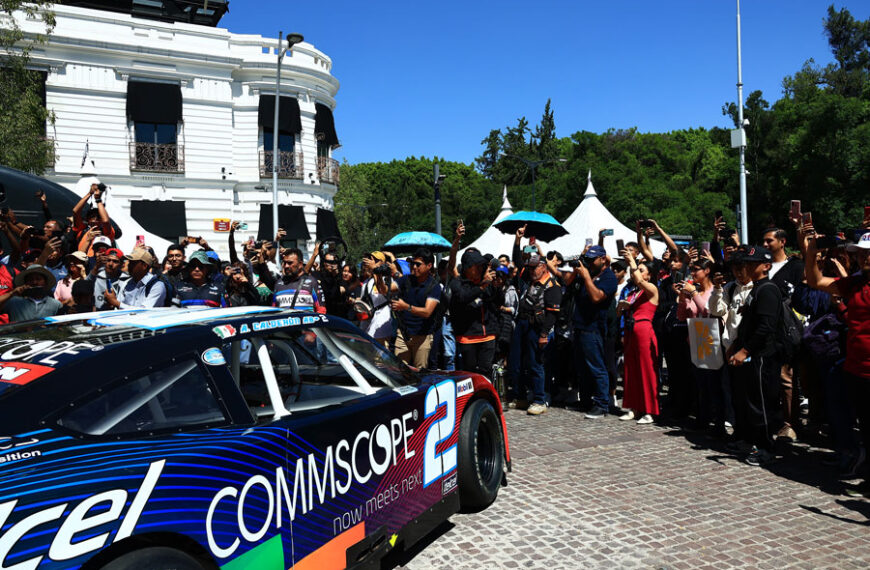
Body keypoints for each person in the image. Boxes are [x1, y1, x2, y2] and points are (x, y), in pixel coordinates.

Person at [804, 229, 870, 496]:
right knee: (866, 427)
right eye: (861, 252)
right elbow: (815, 281)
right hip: (855, 368)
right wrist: (811, 252)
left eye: (868, 253)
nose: (863, 257)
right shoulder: (854, 283)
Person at [727, 246, 784, 466]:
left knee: (762, 404)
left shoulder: (768, 289)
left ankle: (766, 448)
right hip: (753, 356)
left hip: (763, 357)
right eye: (746, 263)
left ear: (766, 266)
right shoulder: (756, 289)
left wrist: (745, 350)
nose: (747, 268)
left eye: (753, 264)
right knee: (749, 401)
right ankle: (751, 440)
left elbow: (765, 327)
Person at [563, 245, 618, 418]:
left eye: (591, 259)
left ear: (603, 259)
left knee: (597, 367)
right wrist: (578, 268)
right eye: (587, 259)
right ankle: (585, 401)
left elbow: (596, 297)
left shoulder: (609, 277)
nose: (589, 263)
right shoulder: (586, 272)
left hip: (593, 328)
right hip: (579, 327)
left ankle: (602, 404)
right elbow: (567, 282)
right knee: (582, 368)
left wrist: (586, 276)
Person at [506, 253, 561, 415]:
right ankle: (520, 396)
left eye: (534, 267)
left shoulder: (552, 286)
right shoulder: (530, 280)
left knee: (536, 364)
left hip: (538, 327)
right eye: (529, 267)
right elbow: (517, 262)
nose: (531, 270)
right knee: (516, 363)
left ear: (543, 267)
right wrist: (518, 242)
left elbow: (552, 314)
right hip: (522, 324)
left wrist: (544, 334)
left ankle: (539, 399)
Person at [618, 249, 660, 424]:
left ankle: (649, 410)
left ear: (649, 275)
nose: (638, 272)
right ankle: (634, 407)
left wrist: (633, 263)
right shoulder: (633, 292)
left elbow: (640, 280)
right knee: (631, 370)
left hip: (643, 330)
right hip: (630, 329)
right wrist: (621, 307)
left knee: (646, 370)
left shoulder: (652, 289)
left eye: (643, 269)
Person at [391, 248, 443, 368]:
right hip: (403, 334)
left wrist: (405, 307)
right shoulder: (406, 279)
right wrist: (378, 276)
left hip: (422, 337)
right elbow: (386, 290)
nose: (414, 267)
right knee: (398, 371)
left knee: (419, 373)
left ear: (429, 265)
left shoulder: (434, 286)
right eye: (412, 263)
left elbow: (427, 312)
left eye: (418, 264)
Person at [449, 249, 498, 376]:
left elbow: (498, 300)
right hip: (467, 337)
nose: (480, 269)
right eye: (476, 266)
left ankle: (486, 396)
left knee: (486, 372)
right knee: (469, 374)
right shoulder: (457, 282)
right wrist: (481, 287)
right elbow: (462, 298)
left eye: (482, 266)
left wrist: (495, 284)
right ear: (467, 267)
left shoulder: (487, 282)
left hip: (488, 335)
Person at [256, 247, 326, 313]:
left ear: (300, 264)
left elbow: (321, 311)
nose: (286, 266)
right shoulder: (278, 284)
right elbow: (274, 310)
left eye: (290, 263)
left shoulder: (312, 283)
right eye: (284, 262)